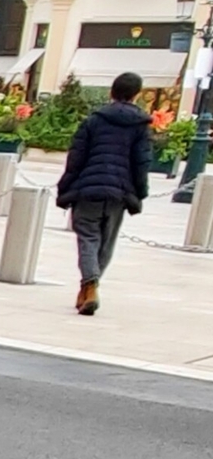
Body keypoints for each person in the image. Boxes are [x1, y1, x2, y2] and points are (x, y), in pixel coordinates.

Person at [54, 70, 153, 315]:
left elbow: (75, 158)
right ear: (136, 95)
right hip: (119, 193)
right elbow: (141, 163)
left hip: (89, 188)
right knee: (106, 243)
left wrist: (65, 186)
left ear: (112, 92)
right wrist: (140, 193)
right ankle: (91, 287)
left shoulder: (93, 120)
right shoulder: (141, 126)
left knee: (88, 237)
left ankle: (89, 286)